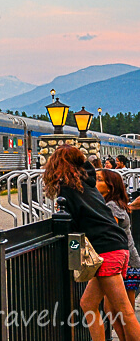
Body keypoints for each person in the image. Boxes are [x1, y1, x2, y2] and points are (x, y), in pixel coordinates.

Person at [43, 145, 140, 340]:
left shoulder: (68, 190)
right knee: (88, 304)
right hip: (116, 247)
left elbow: (71, 224)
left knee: (125, 311)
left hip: (106, 250)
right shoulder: (87, 183)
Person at [96, 169, 140, 341]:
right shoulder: (115, 203)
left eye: (99, 179)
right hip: (127, 260)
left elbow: (108, 231)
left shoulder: (112, 205)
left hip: (127, 263)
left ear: (110, 186)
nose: (94, 181)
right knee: (113, 310)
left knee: (123, 311)